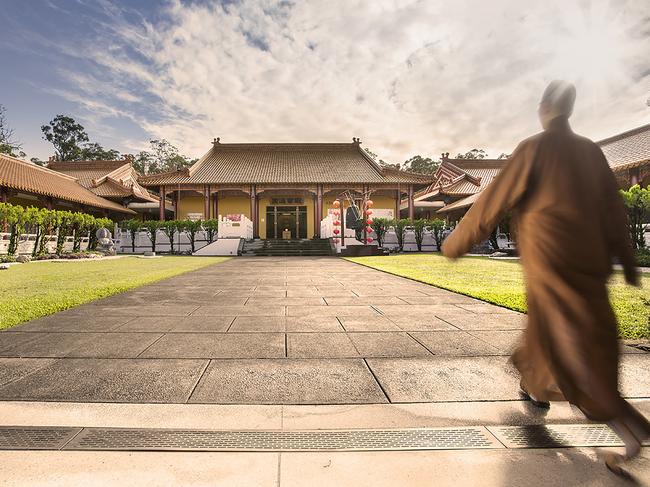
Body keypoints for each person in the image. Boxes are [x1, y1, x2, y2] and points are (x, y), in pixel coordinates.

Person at [441, 80, 649, 476]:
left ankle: (629, 430)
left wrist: (457, 242)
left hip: (553, 262)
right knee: (555, 334)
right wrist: (626, 256)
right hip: (590, 263)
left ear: (545, 107)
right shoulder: (590, 152)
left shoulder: (534, 148)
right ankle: (535, 387)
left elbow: (492, 200)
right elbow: (613, 209)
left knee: (572, 346)